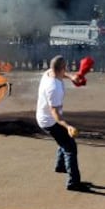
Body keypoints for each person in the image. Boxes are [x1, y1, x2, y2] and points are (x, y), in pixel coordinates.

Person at [36, 55, 90, 192]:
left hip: (44, 117)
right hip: (49, 121)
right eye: (65, 68)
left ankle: (61, 166)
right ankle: (73, 182)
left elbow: (61, 73)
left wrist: (72, 77)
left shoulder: (48, 73)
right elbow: (54, 112)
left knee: (63, 140)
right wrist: (68, 126)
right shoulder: (54, 88)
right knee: (70, 147)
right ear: (62, 68)